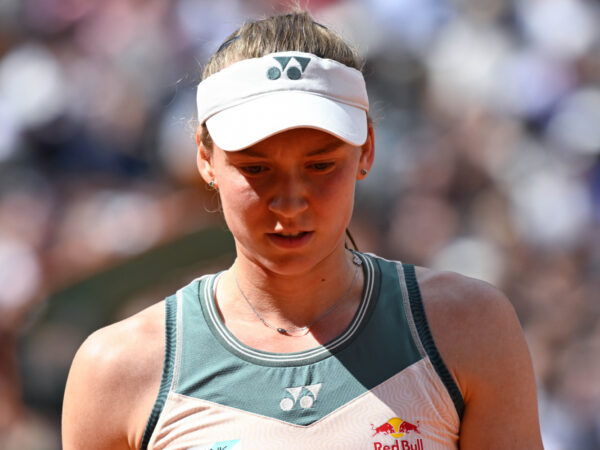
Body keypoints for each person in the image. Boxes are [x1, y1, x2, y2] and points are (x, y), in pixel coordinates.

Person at [62, 11, 543, 450]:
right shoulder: (118, 369)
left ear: (367, 150)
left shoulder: (469, 329)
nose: (290, 201)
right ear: (205, 159)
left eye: (319, 165)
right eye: (256, 168)